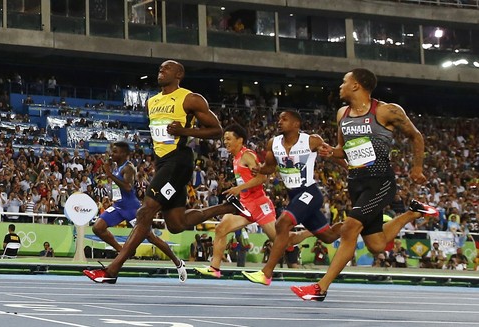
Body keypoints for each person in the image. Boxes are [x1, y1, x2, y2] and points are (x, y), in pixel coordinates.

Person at [84, 60, 242, 284]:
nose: (161, 71)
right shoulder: (152, 102)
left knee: (145, 212)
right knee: (176, 224)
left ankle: (113, 270)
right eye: (159, 68)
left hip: (178, 161)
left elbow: (217, 130)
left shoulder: (190, 98)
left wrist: (184, 130)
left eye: (166, 68)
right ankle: (229, 206)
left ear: (179, 74)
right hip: (163, 163)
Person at [290, 68, 437, 301]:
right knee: (376, 245)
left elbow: (415, 136)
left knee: (349, 228)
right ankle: (412, 213)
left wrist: (417, 167)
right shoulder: (342, 114)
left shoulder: (387, 111)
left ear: (356, 85)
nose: (340, 86)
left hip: (380, 182)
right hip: (355, 183)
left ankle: (320, 288)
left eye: (344, 81)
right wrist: (331, 151)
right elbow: (344, 150)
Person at [195, 123, 310, 278]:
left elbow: (262, 177)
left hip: (259, 203)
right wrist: (236, 188)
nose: (226, 142)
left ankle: (311, 231)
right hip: (245, 205)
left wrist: (237, 189)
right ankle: (214, 268)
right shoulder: (235, 158)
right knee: (221, 229)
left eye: (229, 139)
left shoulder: (247, 155)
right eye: (224, 139)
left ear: (240, 140)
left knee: (283, 241)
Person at [242, 110, 342, 286]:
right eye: (279, 119)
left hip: (310, 192)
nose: (279, 122)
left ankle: (266, 273)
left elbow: (333, 154)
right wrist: (259, 169)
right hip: (295, 195)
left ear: (296, 124)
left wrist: (350, 168)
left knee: (282, 224)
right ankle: (357, 224)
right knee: (329, 236)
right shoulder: (273, 143)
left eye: (284, 119)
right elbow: (270, 167)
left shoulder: (311, 140)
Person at [88, 141, 187, 282]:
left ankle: (178, 262)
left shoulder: (129, 168)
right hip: (118, 206)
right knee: (97, 228)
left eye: (115, 152)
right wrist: (108, 176)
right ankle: (122, 251)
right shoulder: (118, 166)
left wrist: (109, 174)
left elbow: (128, 187)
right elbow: (119, 184)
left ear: (123, 154)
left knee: (151, 237)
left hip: (132, 208)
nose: (112, 154)